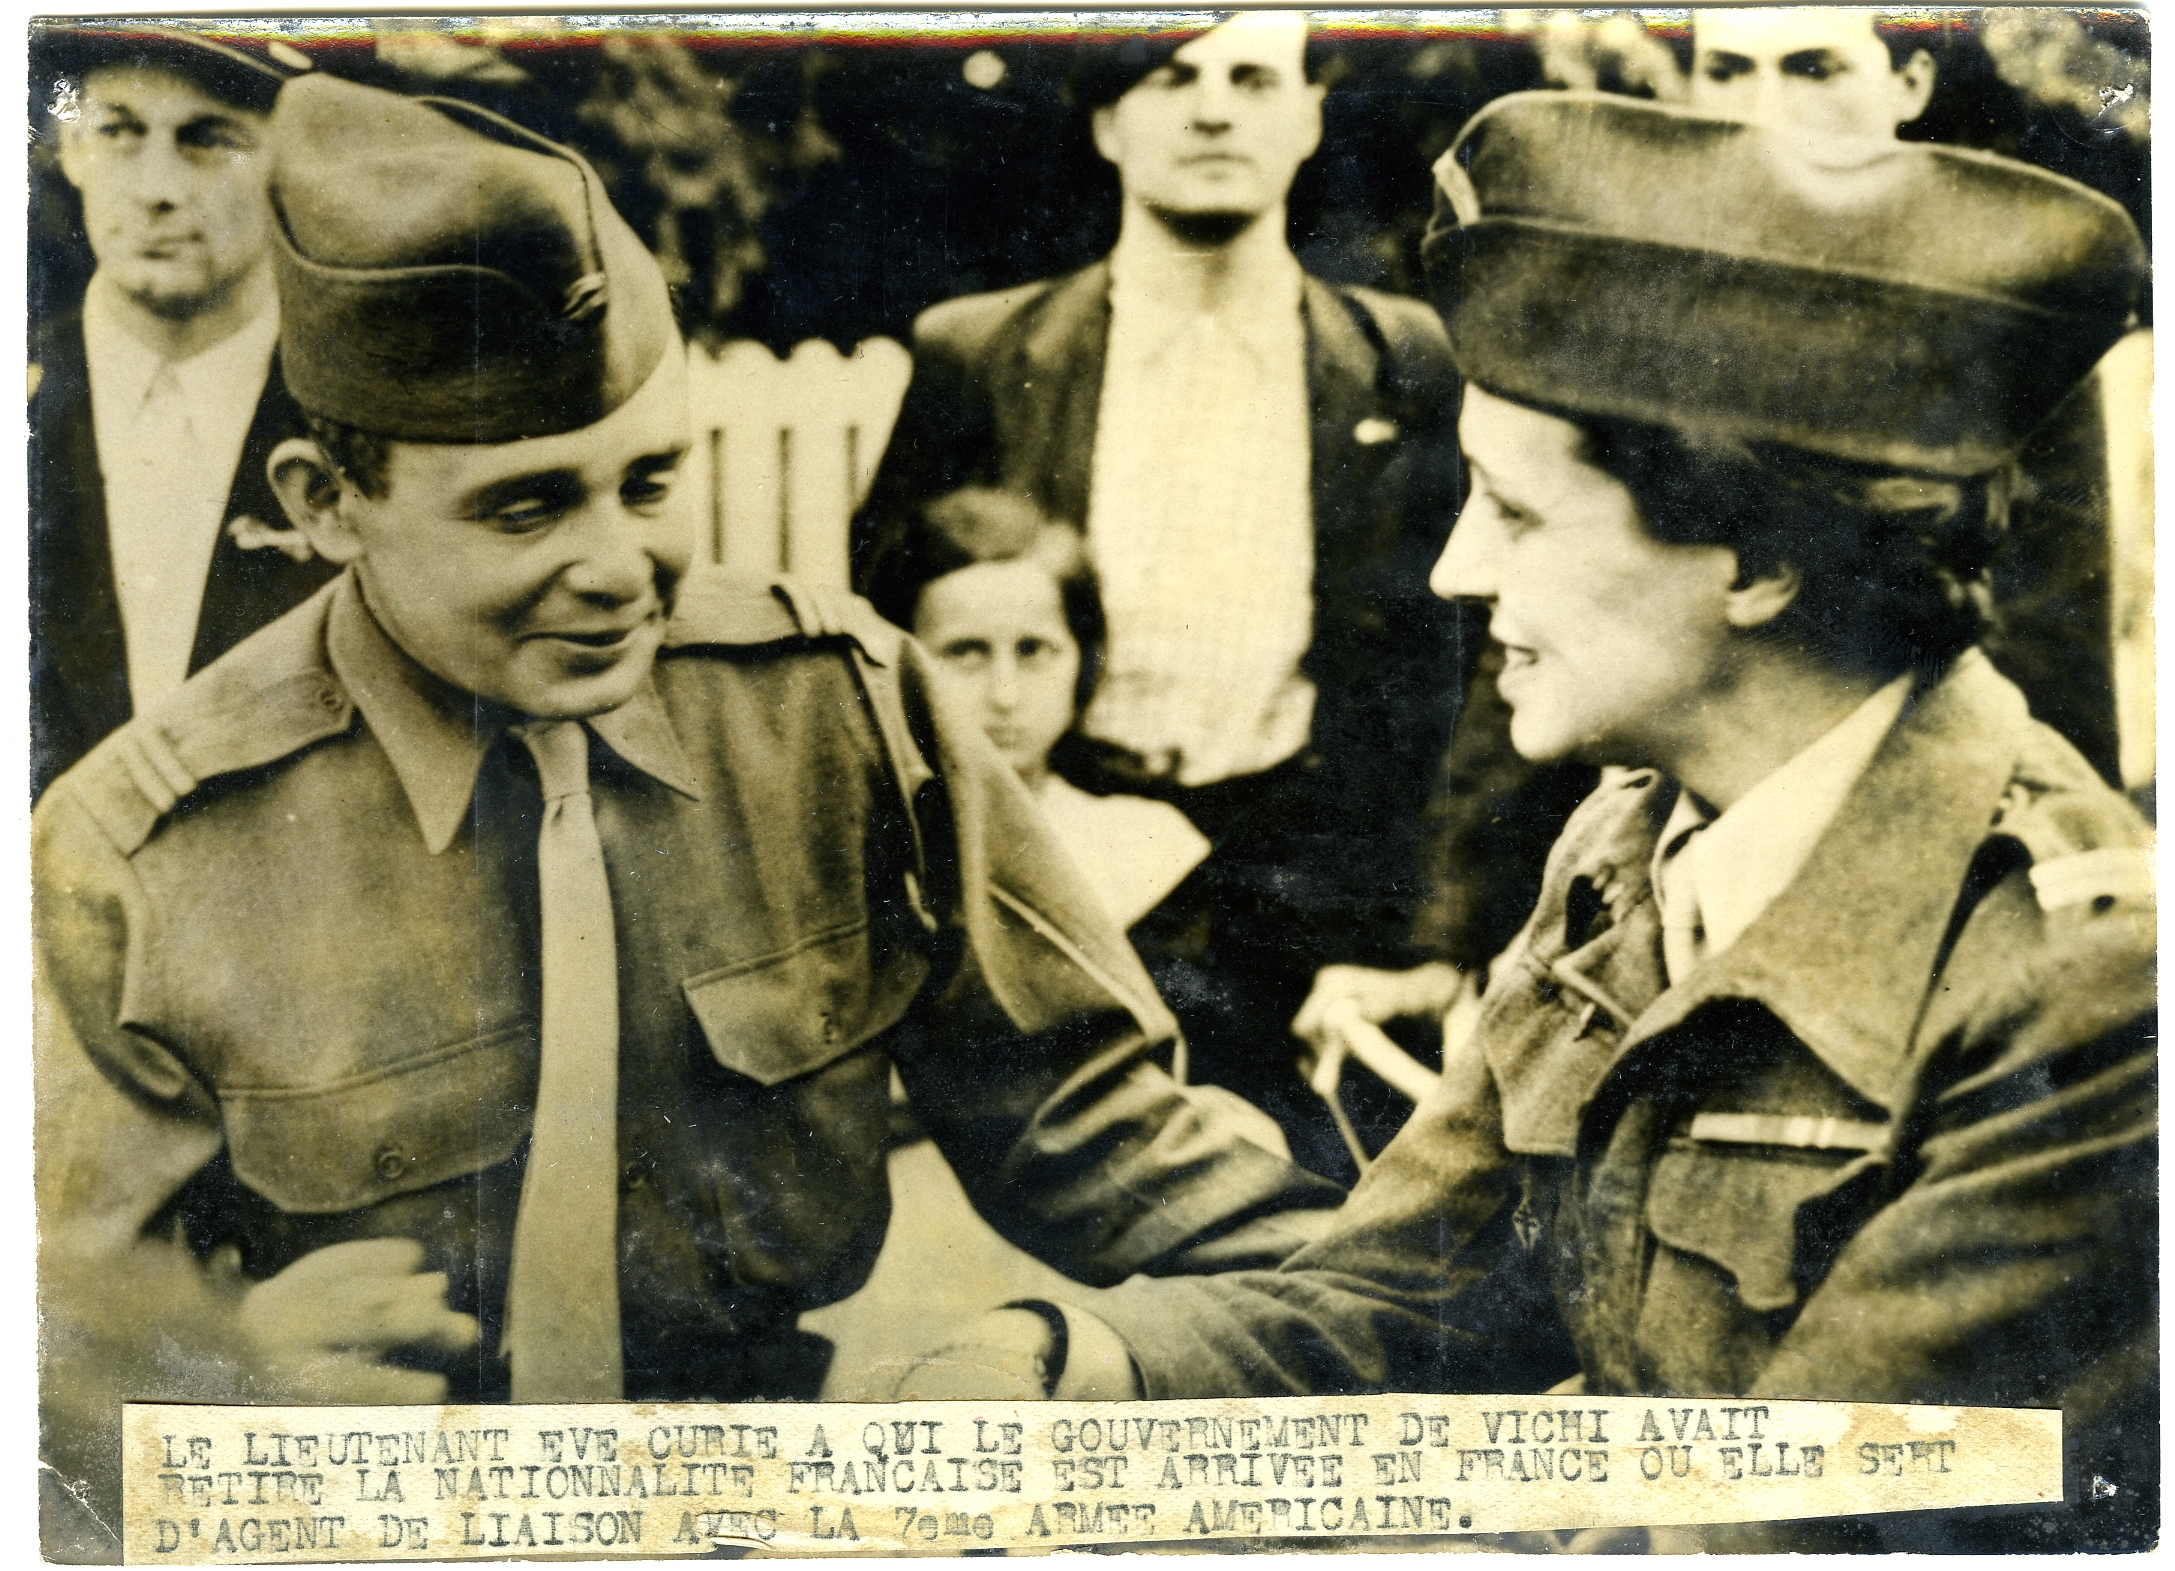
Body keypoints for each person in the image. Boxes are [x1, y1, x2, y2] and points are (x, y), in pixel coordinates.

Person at [31, 74, 1346, 1558]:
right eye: (525, 509)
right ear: (326, 500)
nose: (618, 568)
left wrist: (1389, 1307)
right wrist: (214, 1379)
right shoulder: (141, 854)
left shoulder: (839, 710)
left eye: (650, 481)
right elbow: (52, 1377)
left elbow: (1105, 1136)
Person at [923, 93, 2157, 1551]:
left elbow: (1774, 1527)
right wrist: (1062, 1374)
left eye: (1511, 513)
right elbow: (1402, 1296)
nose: (1452, 567)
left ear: (1753, 554)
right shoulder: (1630, 843)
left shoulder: (2087, 990)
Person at [852, 12, 1478, 1179]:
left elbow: (1477, 657)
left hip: (1322, 896)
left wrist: (1439, 929)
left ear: (1307, 119)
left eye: (1252, 78)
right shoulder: (980, 353)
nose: (1210, 108)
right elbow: (884, 642)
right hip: (1072, 867)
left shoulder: (1408, 361)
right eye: (1171, 76)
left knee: (1319, 1227)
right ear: (1105, 120)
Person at [872, 486, 1302, 1159]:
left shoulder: (1148, 847)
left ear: (1083, 659)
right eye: (964, 652)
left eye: (1035, 650)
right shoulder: (869, 850)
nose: (1005, 695)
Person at [30, 25, 336, 800]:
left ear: (289, 162)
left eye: (209, 138)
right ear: (69, 147)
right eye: (119, 132)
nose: (155, 186)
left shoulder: (360, 415)